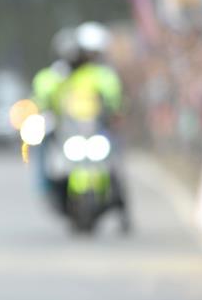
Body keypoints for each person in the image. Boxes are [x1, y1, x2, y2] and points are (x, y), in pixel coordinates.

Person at [32, 21, 131, 230]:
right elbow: (42, 91)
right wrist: (42, 109)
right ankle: (45, 188)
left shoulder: (97, 74)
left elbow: (112, 93)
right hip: (67, 131)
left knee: (115, 161)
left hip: (94, 129)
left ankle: (122, 208)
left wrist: (115, 111)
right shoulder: (57, 75)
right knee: (43, 150)